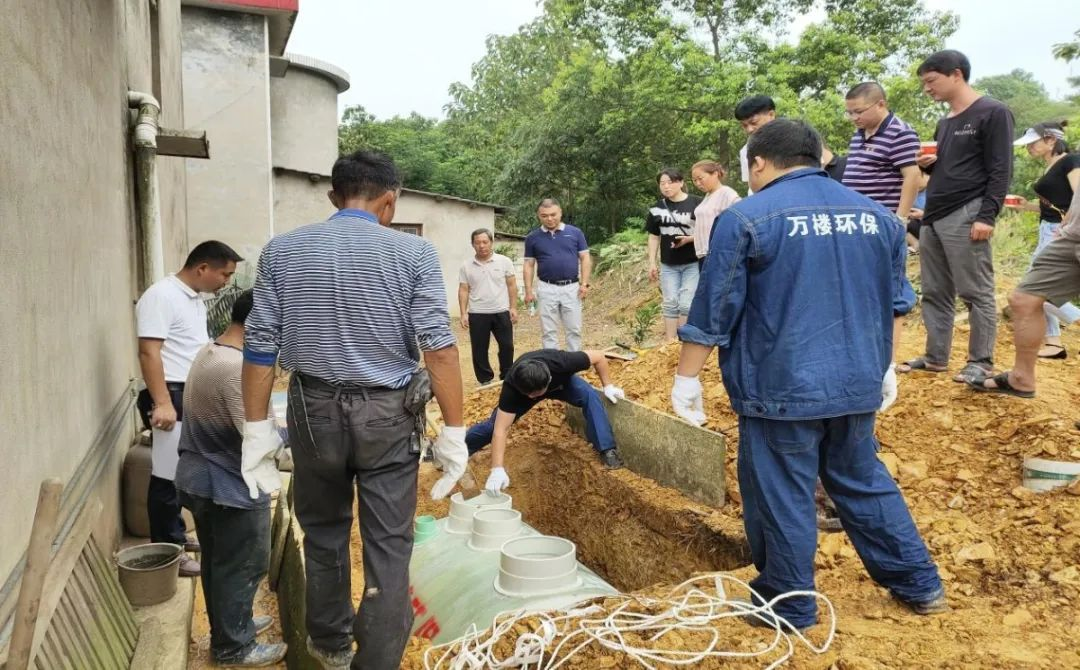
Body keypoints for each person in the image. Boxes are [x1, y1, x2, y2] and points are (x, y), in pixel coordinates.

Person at [671, 119, 945, 631]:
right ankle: (920, 584)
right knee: (861, 481)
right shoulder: (880, 219)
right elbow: (896, 305)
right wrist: (885, 366)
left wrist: (687, 380)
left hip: (780, 386)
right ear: (818, 156)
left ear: (758, 162)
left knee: (781, 492)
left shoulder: (747, 218)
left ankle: (789, 602)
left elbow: (714, 311)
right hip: (857, 383)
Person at [241, 150, 469, 670]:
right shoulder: (412, 255)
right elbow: (440, 347)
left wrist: (255, 431)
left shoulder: (282, 251)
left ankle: (331, 646)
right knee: (388, 545)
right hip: (387, 415)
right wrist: (453, 432)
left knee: (323, 532)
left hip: (311, 411)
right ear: (389, 201)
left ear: (332, 197)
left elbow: (260, 347)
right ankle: (378, 661)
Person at [175, 290, 287, 667]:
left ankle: (233, 625)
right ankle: (233, 647)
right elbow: (257, 439)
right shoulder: (234, 370)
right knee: (242, 564)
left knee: (220, 562)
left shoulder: (213, 351)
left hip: (201, 478)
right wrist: (300, 433)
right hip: (227, 486)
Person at [899, 50, 1015, 382]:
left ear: (956, 75)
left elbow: (1000, 169)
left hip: (968, 211)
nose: (927, 89)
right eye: (924, 83)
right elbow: (950, 167)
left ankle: (981, 360)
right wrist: (929, 165)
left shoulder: (993, 112)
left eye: (931, 81)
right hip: (934, 214)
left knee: (975, 290)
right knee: (935, 291)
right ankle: (936, 357)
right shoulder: (945, 122)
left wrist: (987, 216)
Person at [136, 240, 243, 578]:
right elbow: (149, 352)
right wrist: (163, 403)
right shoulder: (162, 296)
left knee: (185, 471)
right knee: (166, 476)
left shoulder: (194, 299)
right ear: (202, 268)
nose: (226, 281)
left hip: (191, 393)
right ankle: (169, 549)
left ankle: (178, 536)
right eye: (224, 274)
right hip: (172, 394)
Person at [969, 179, 1080, 398]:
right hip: (1073, 233)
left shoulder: (1068, 162)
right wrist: (1068, 220)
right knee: (1024, 298)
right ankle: (1021, 378)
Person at [466, 349, 627, 484]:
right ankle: (460, 449)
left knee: (590, 396)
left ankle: (608, 450)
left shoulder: (563, 362)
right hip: (524, 391)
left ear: (548, 381)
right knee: (492, 426)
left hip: (562, 384)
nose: (532, 398)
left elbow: (599, 357)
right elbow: (501, 429)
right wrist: (497, 468)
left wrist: (608, 386)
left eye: (535, 394)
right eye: (529, 395)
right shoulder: (512, 388)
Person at [1005, 121, 1080, 358]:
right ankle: (1054, 342)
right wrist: (1025, 205)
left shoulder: (1070, 161)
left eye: (1033, 143)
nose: (1029, 148)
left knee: (1032, 288)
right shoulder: (1050, 166)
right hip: (1048, 228)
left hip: (1061, 230)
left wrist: (1065, 227)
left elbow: (1078, 197)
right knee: (1034, 289)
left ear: (1051, 140)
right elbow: (1053, 206)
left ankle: (1072, 322)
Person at [841, 82, 922, 223]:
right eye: (850, 113)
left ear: (880, 105)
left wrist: (900, 219)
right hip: (855, 218)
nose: (854, 118)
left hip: (881, 220)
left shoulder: (900, 132)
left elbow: (913, 176)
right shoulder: (858, 133)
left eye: (859, 112)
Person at [523, 199, 592, 351]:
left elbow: (585, 258)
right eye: (544, 215)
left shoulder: (575, 233)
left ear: (560, 212)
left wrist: (585, 283)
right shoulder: (532, 238)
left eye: (553, 214)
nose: (549, 219)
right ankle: (553, 367)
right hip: (546, 288)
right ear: (538, 216)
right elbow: (528, 264)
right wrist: (528, 291)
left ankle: (574, 365)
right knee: (548, 332)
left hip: (572, 288)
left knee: (574, 329)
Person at [646, 168, 703, 341]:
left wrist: (689, 239)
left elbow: (706, 232)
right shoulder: (656, 208)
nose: (666, 186)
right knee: (670, 302)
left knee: (686, 303)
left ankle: (683, 340)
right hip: (668, 264)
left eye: (670, 182)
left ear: (681, 182)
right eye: (662, 183)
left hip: (692, 262)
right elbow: (654, 237)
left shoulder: (697, 203)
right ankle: (670, 342)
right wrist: (652, 263)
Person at [458, 228, 518, 383]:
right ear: (472, 245)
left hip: (501, 311)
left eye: (485, 242)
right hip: (478, 313)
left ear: (491, 242)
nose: (482, 246)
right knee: (479, 349)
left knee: (507, 346)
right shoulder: (466, 266)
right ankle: (485, 379)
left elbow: (511, 285)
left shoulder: (504, 261)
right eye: (477, 242)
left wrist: (513, 307)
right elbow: (464, 289)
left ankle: (507, 376)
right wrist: (463, 313)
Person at [690, 160, 741, 261]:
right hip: (703, 254)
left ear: (715, 174)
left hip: (718, 254)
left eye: (700, 178)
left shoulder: (726, 193)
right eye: (694, 180)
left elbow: (740, 218)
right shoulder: (708, 195)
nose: (698, 183)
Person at [734, 95, 777, 195]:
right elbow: (751, 185)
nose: (749, 129)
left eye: (754, 122)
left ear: (771, 115)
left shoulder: (797, 137)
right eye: (744, 125)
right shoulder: (746, 150)